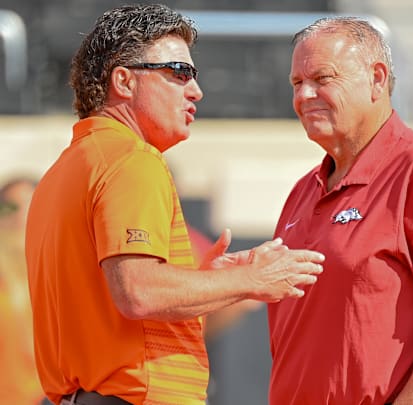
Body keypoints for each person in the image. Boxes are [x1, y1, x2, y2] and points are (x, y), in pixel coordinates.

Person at [24, 4, 325, 405]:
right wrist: (253, 279)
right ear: (124, 81)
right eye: (179, 73)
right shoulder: (132, 160)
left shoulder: (66, 169)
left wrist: (209, 283)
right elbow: (139, 292)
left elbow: (123, 301)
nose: (195, 90)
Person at [266, 16, 413, 405]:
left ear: (377, 78)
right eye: (296, 83)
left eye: (322, 79)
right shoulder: (303, 191)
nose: (304, 95)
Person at [0, 176, 47, 405]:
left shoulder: (53, 271)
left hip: (48, 396)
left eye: (30, 206)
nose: (19, 217)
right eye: (10, 207)